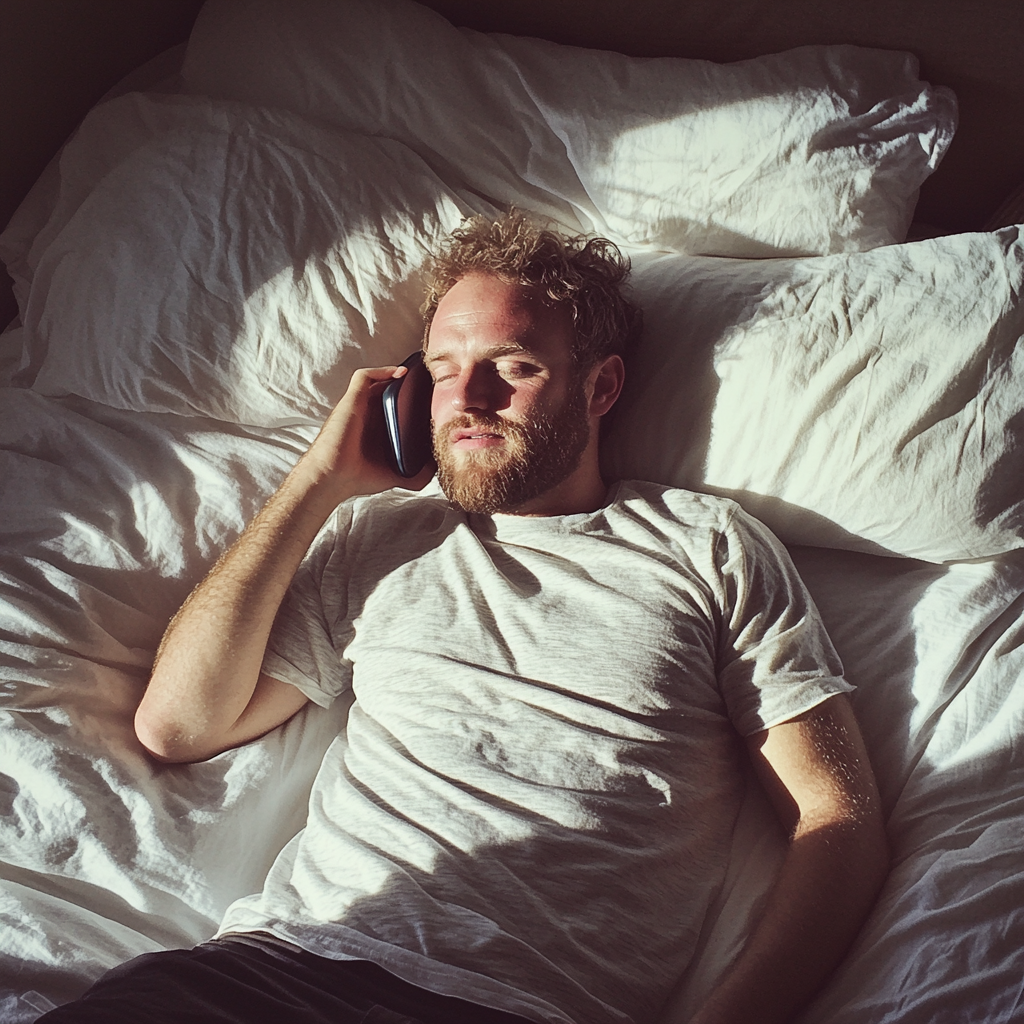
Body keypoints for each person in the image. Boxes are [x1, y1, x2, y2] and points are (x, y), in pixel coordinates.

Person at [40, 212, 888, 1024]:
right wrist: (318, 482)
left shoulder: (707, 546)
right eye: (443, 369)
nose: (467, 398)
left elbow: (837, 818)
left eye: (512, 366)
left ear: (602, 385)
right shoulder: (382, 538)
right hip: (268, 970)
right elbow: (178, 725)